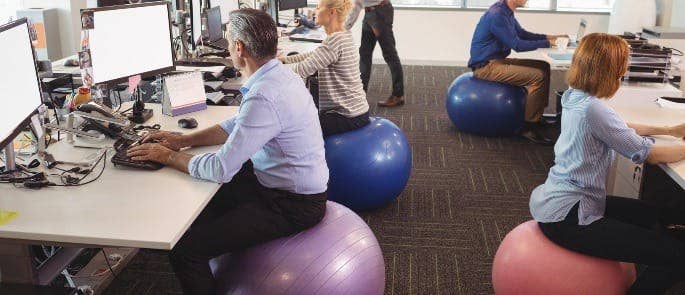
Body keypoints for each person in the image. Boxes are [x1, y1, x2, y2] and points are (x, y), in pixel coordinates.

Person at [126, 9, 329, 294]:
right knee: (202, 206)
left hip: (292, 205)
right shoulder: (278, 76)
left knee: (186, 250)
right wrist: (181, 141)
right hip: (281, 185)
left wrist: (168, 157)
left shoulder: (264, 95)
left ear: (238, 47)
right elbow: (235, 124)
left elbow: (220, 168)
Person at [530, 33, 685, 295]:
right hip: (570, 218)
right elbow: (648, 153)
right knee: (679, 257)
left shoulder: (575, 96)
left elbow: (618, 128)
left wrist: (670, 129)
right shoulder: (594, 109)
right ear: (609, 70)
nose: (624, 72)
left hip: (562, 201)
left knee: (658, 214)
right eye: (621, 66)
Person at [468, 0, 567, 145]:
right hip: (485, 67)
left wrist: (550, 37)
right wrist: (548, 44)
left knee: (543, 66)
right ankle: (528, 127)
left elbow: (522, 34)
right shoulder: (497, 15)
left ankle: (537, 116)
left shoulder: (506, 11)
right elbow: (517, 45)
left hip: (497, 60)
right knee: (538, 77)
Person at [281, 0, 370, 136]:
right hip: (356, 112)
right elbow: (315, 55)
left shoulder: (335, 40)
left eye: (318, 7)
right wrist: (284, 60)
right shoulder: (343, 34)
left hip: (346, 116)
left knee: (294, 129)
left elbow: (303, 69)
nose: (315, 12)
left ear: (331, 12)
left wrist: (272, 69)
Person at [345, 0, 404, 107]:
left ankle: (398, 95)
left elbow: (357, 4)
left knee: (390, 55)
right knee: (364, 54)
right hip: (370, 13)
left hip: (379, 13)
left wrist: (345, 27)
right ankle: (361, 94)